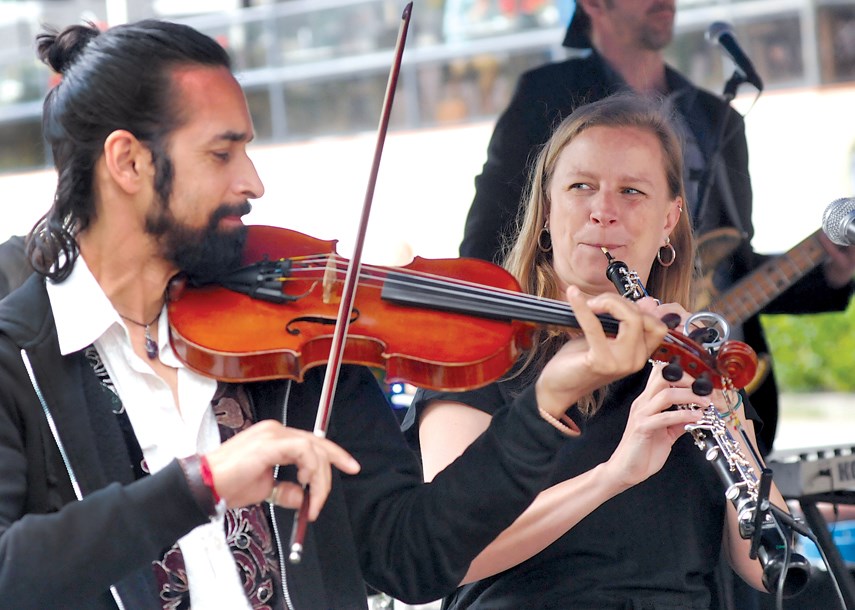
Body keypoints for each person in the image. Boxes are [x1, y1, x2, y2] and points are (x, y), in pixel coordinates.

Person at [0, 20, 671, 610]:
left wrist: (545, 402)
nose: (253, 181)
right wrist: (202, 484)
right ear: (128, 162)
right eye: (221, 152)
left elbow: (412, 556)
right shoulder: (16, 362)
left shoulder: (296, 335)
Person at [409, 94, 794, 609]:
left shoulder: (691, 361)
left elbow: (767, 567)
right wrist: (614, 474)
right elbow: (447, 550)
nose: (603, 210)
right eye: (581, 187)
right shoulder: (476, 345)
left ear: (669, 220)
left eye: (632, 191)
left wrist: (721, 406)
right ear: (547, 210)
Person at [458, 0, 855, 457]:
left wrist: (829, 273)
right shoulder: (547, 93)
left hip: (699, 369)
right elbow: (487, 241)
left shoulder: (713, 114)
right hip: (574, 361)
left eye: (632, 191)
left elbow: (733, 264)